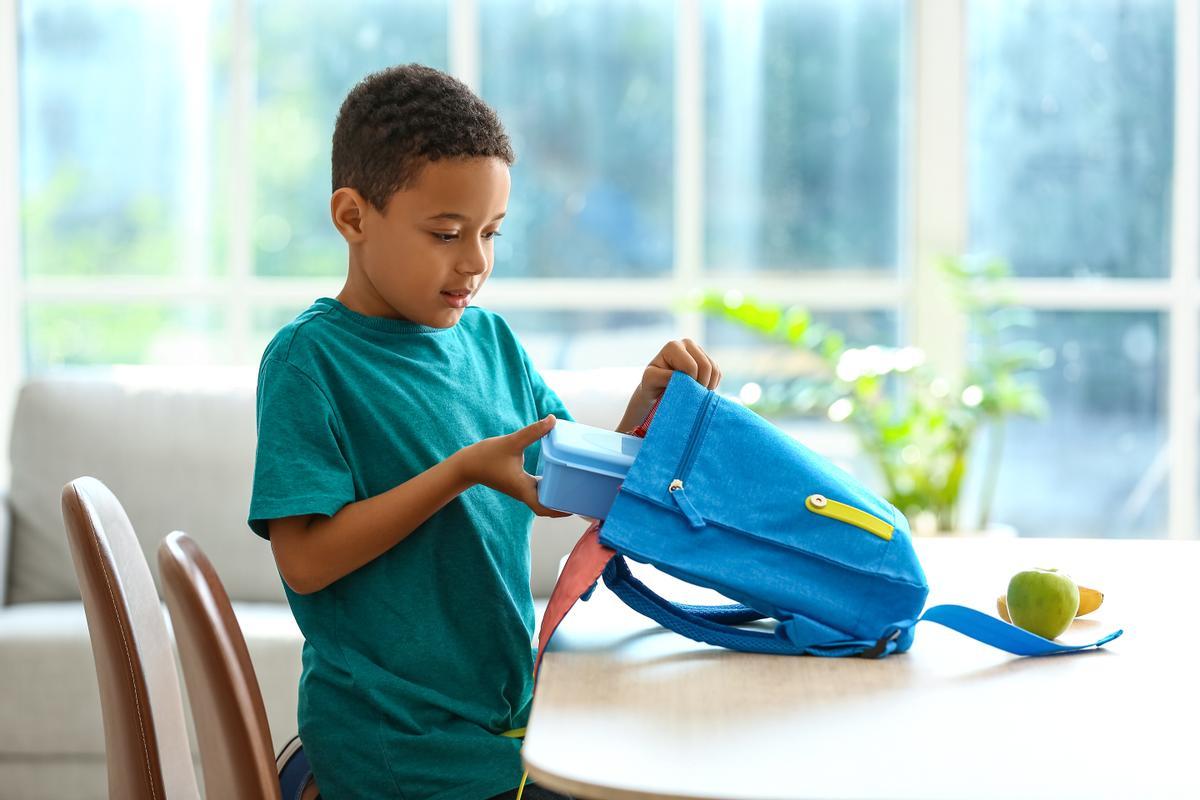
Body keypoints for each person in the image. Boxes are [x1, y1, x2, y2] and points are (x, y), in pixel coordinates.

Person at [248, 63, 722, 800]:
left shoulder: (490, 343)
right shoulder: (309, 361)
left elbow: (568, 484)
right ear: (352, 217)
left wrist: (645, 404)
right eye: (445, 233)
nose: (475, 262)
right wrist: (459, 471)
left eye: (492, 233)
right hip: (397, 749)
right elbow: (305, 563)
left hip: (503, 727)